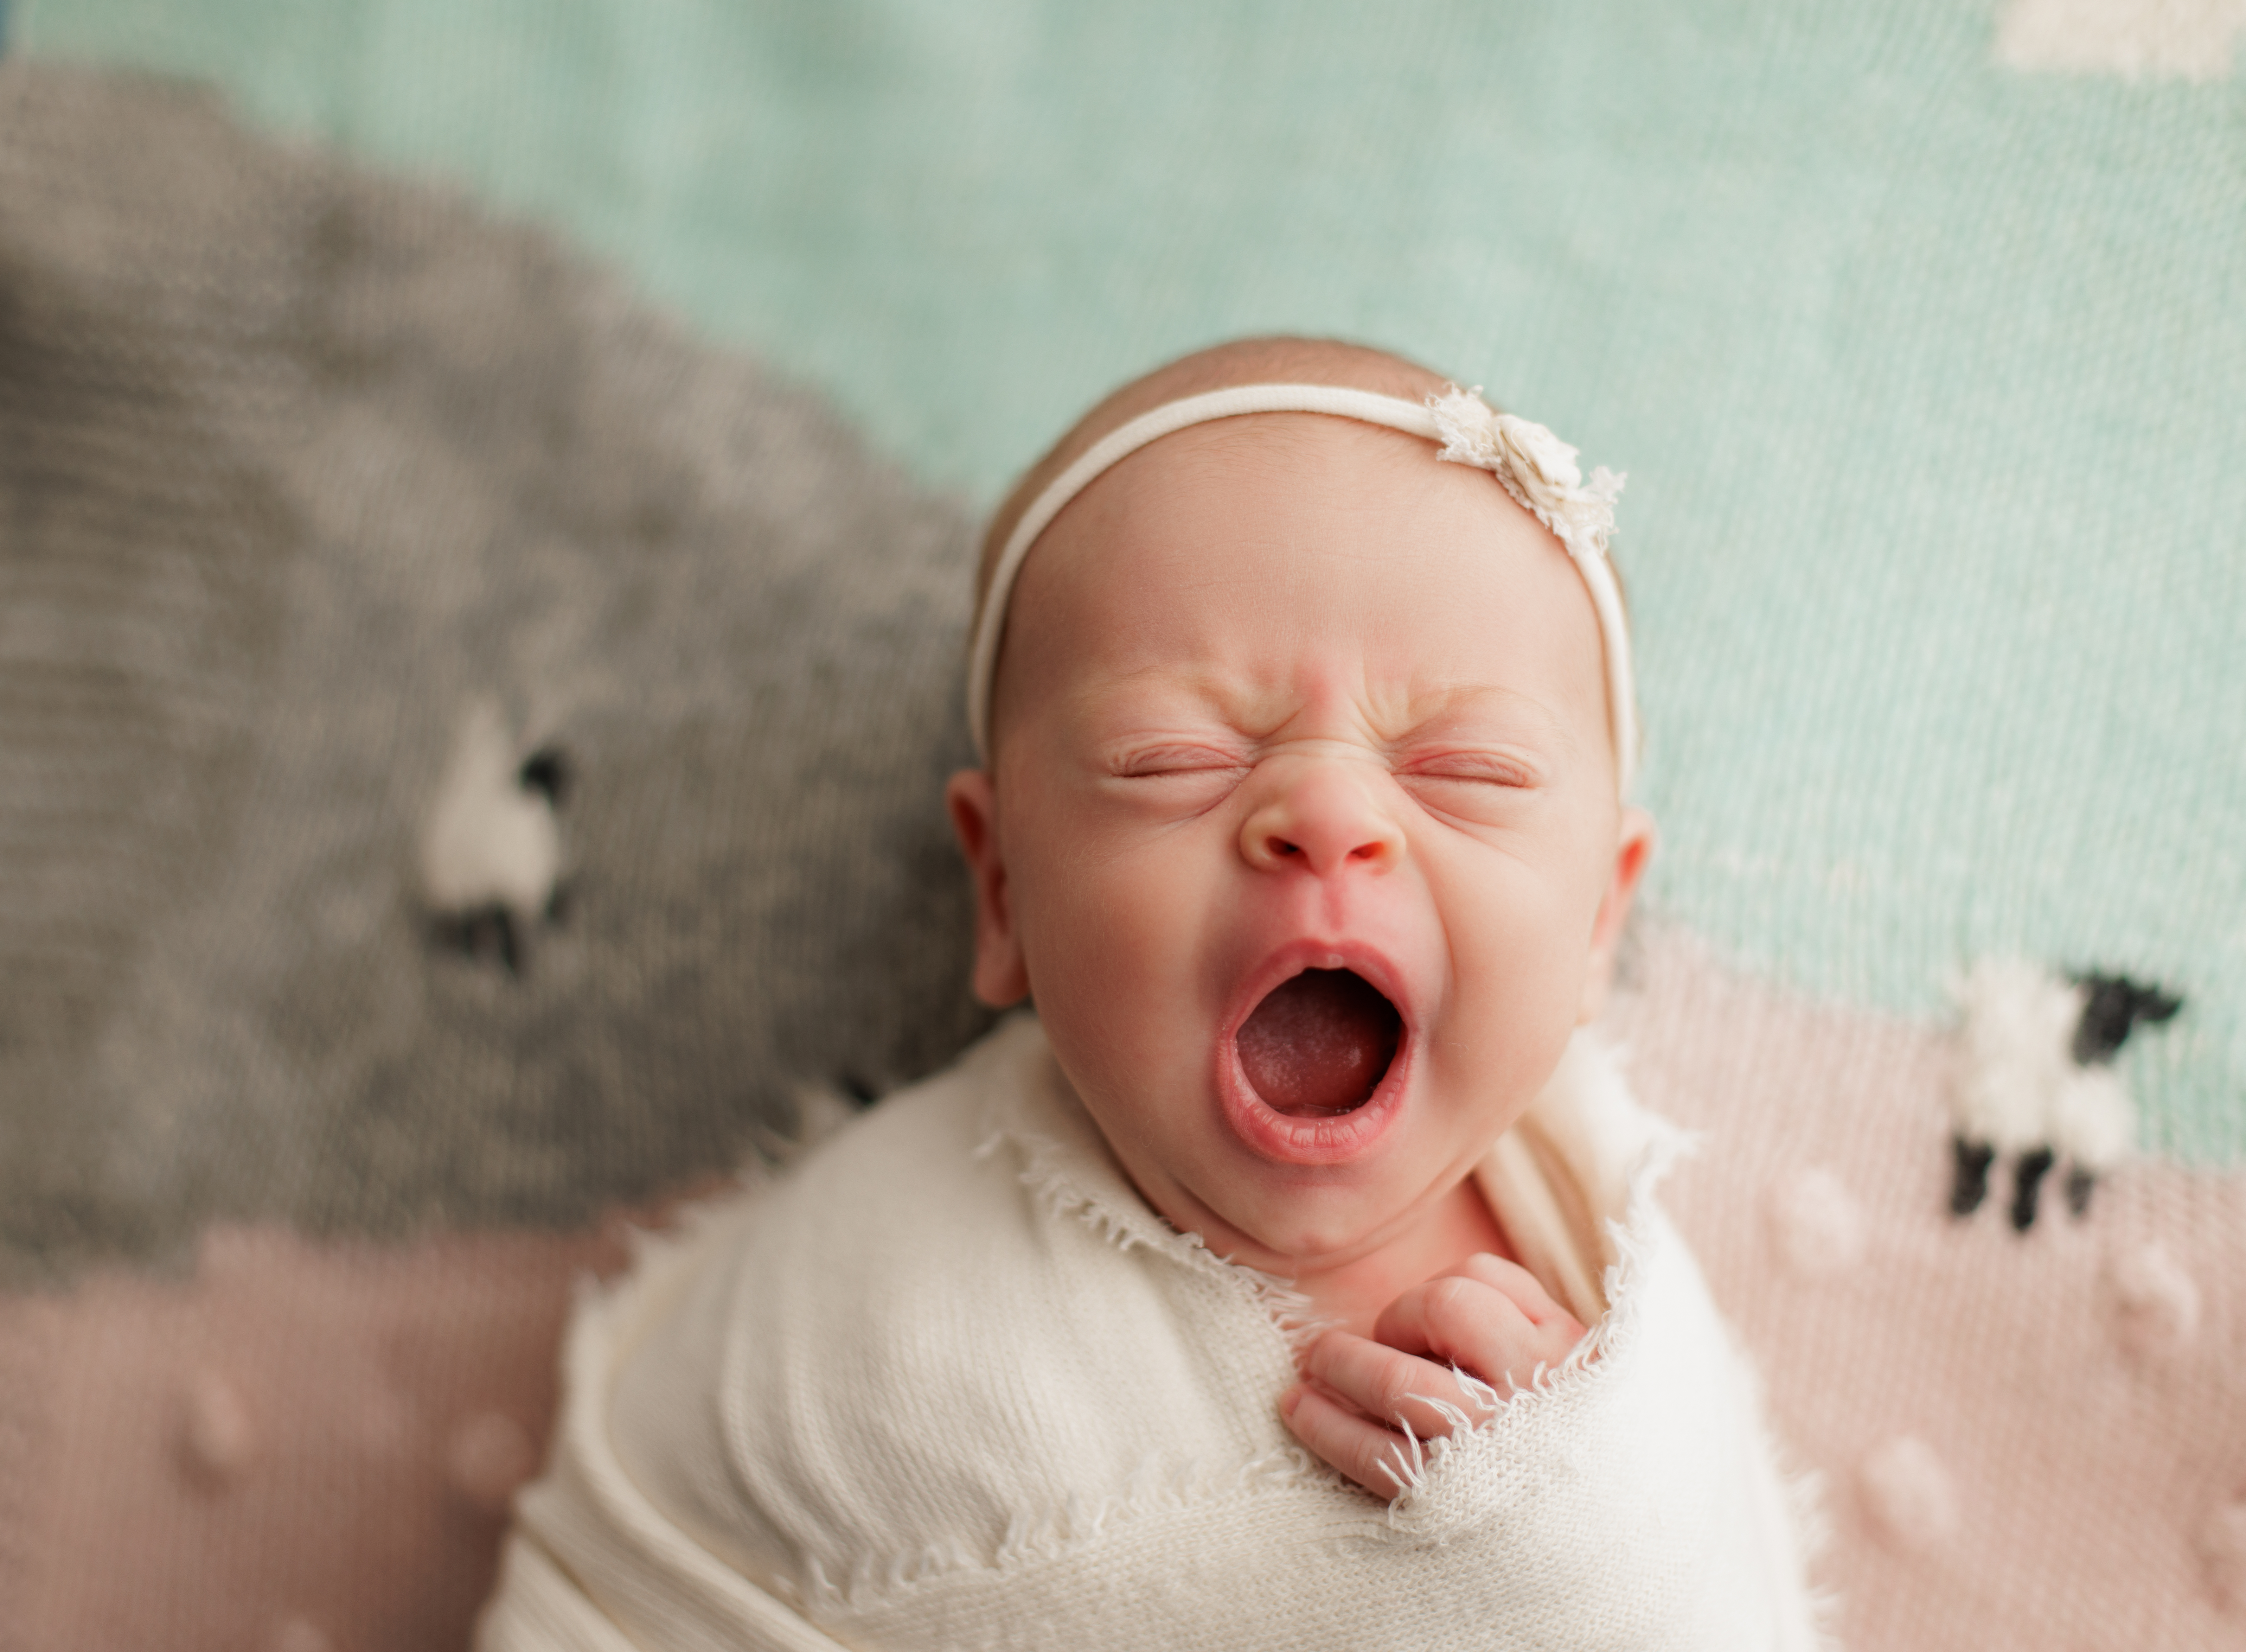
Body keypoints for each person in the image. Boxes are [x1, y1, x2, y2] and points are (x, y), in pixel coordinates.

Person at [476, 337, 1821, 1650]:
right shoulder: (863, 1300)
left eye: (1465, 766)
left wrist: (1590, 1553)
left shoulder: (1613, 1283)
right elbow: (611, 1585)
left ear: (1600, 916)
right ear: (1002, 890)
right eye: (1170, 755)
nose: (1328, 811)